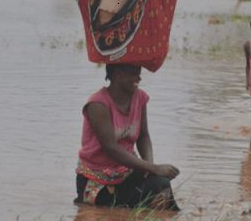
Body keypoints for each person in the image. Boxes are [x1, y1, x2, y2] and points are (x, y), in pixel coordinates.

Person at [74, 63, 180, 210]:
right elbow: (110, 148)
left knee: (161, 184)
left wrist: (150, 170)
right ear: (118, 75)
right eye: (134, 73)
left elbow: (143, 136)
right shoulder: (98, 104)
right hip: (98, 180)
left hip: (126, 172)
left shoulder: (140, 97)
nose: (139, 78)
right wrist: (153, 168)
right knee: (152, 193)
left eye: (139, 73)